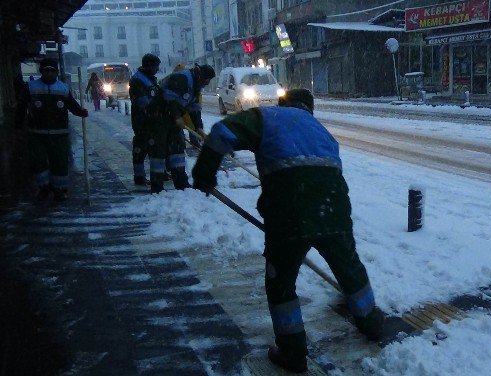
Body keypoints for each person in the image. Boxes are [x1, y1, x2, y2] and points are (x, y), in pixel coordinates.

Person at [191, 89, 384, 373]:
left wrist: (204, 174)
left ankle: (293, 353)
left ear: (284, 103)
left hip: (290, 213)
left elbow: (221, 132)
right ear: (310, 108)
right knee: (349, 268)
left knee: (281, 283)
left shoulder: (267, 117)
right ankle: (371, 324)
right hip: (334, 208)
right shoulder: (321, 130)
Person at [15, 58, 88, 201]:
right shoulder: (31, 87)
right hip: (37, 133)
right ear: (41, 71)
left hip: (59, 133)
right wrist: (18, 126)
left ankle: (60, 189)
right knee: (38, 162)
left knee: (59, 162)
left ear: (56, 72)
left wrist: (80, 111)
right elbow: (21, 108)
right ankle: (44, 188)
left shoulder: (63, 88)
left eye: (52, 70)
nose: (49, 73)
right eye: (46, 70)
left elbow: (71, 105)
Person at [146, 64, 215, 193]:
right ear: (200, 76)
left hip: (173, 119)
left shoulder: (196, 86)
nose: (206, 84)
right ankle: (157, 187)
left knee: (177, 148)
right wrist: (177, 117)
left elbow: (195, 110)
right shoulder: (182, 78)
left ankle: (181, 183)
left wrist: (199, 128)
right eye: (206, 80)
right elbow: (169, 99)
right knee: (159, 150)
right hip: (158, 117)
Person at [129, 53, 161, 186]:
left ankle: (158, 175)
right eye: (155, 66)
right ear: (148, 66)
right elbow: (142, 101)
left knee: (153, 147)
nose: (157, 69)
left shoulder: (150, 78)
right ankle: (139, 177)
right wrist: (154, 109)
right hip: (142, 120)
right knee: (141, 148)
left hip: (152, 120)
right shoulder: (138, 80)